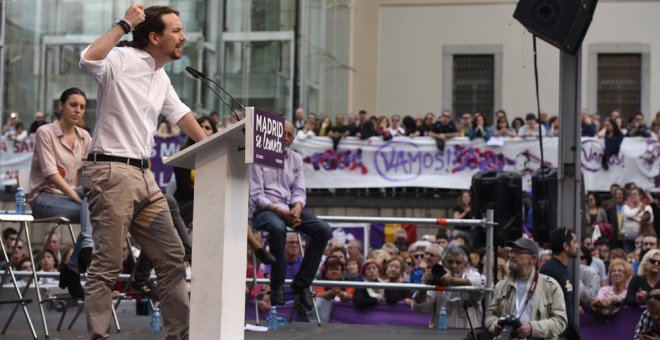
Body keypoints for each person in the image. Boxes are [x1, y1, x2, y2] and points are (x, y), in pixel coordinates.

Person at [79, 4, 209, 339]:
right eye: (176, 31)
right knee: (107, 264)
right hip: (111, 172)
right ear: (154, 36)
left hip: (144, 178)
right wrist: (124, 24)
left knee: (172, 256)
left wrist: (215, 145)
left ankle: (179, 335)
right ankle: (99, 336)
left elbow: (181, 116)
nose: (184, 37)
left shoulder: (161, 76)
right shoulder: (122, 59)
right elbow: (88, 59)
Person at [249, 120, 332, 311]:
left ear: (293, 139)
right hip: (265, 210)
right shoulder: (259, 156)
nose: (285, 138)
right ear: (273, 135)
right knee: (278, 228)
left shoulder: (296, 159)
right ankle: (276, 285)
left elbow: (299, 190)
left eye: (289, 135)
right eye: (282, 133)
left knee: (323, 230)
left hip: (289, 206)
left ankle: (301, 284)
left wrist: (297, 207)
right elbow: (256, 195)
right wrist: (281, 211)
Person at [28, 87, 93, 298]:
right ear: (61, 105)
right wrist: (78, 196)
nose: (78, 110)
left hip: (75, 196)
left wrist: (84, 194)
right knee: (96, 208)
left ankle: (74, 264)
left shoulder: (85, 137)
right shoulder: (45, 132)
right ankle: (78, 260)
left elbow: (89, 175)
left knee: (98, 194)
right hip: (45, 197)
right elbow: (50, 174)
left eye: (82, 107)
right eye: (73, 105)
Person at [486, 237, 567, 339]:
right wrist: (496, 325)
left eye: (518, 252)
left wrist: (533, 328)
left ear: (533, 259)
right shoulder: (501, 285)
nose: (512, 255)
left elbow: (560, 321)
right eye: (511, 252)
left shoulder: (550, 286)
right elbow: (490, 315)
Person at [411, 245, 483, 329]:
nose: (454, 266)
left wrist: (451, 281)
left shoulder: (473, 275)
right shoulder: (436, 278)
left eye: (458, 262)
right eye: (450, 262)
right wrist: (424, 285)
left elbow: (480, 284)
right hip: (440, 336)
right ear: (443, 262)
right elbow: (419, 307)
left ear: (465, 265)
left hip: (469, 335)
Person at [539, 227, 579, 337]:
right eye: (575, 242)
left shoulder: (562, 268)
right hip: (555, 334)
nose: (578, 246)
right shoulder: (549, 270)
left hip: (565, 331)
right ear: (566, 246)